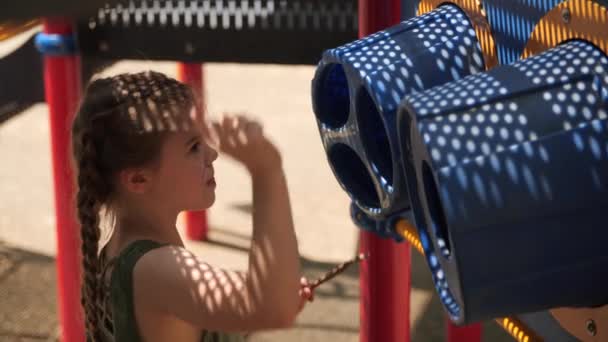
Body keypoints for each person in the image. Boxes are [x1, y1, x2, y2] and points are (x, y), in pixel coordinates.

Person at [71, 71, 313, 342]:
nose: (212, 154)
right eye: (194, 146)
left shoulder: (120, 250)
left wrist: (271, 287)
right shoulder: (158, 267)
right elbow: (273, 310)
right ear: (138, 178)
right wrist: (266, 171)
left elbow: (255, 305)